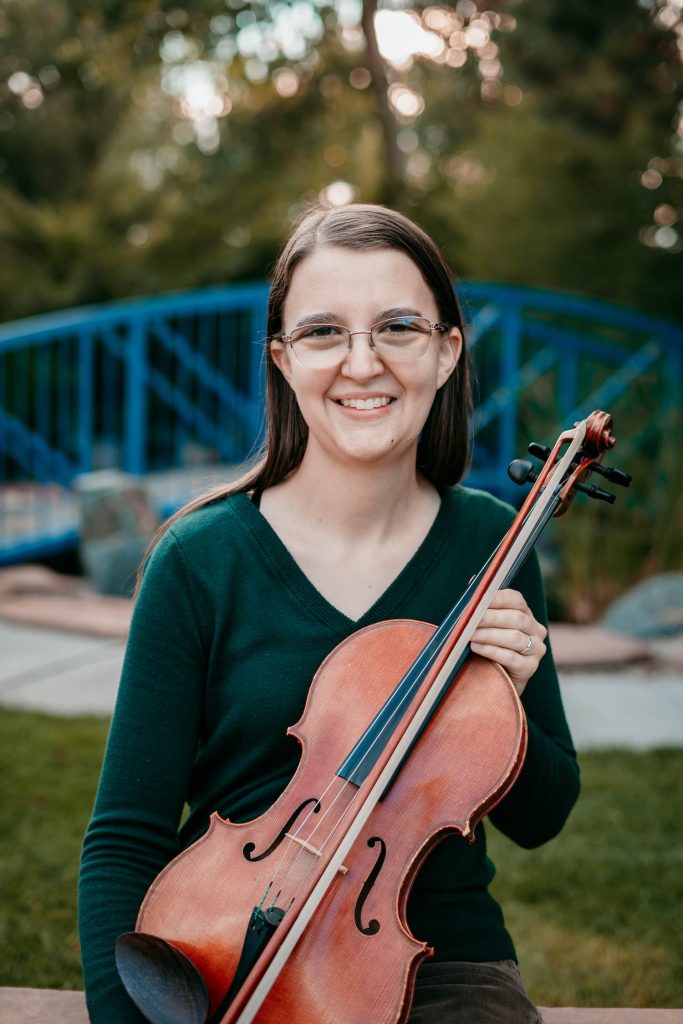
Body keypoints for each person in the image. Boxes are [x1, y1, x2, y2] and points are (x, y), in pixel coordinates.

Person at [79, 203, 579, 1024]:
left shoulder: (492, 540)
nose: (362, 363)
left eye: (397, 327)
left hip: (436, 960)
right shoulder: (200, 559)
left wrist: (510, 700)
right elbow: (125, 838)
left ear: (447, 351)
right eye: (322, 333)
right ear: (282, 358)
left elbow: (543, 816)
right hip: (218, 946)